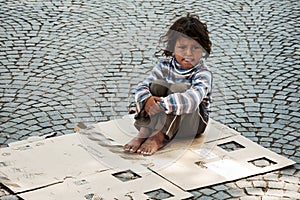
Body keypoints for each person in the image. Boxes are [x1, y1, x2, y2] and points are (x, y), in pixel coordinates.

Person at [124, 13, 213, 155]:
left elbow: (192, 100)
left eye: (195, 48)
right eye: (182, 47)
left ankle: (159, 137)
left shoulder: (202, 73)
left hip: (192, 124)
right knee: (156, 85)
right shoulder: (164, 66)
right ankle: (144, 131)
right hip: (162, 114)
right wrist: (147, 100)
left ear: (202, 49)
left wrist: (162, 105)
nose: (188, 53)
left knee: (180, 88)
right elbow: (142, 87)